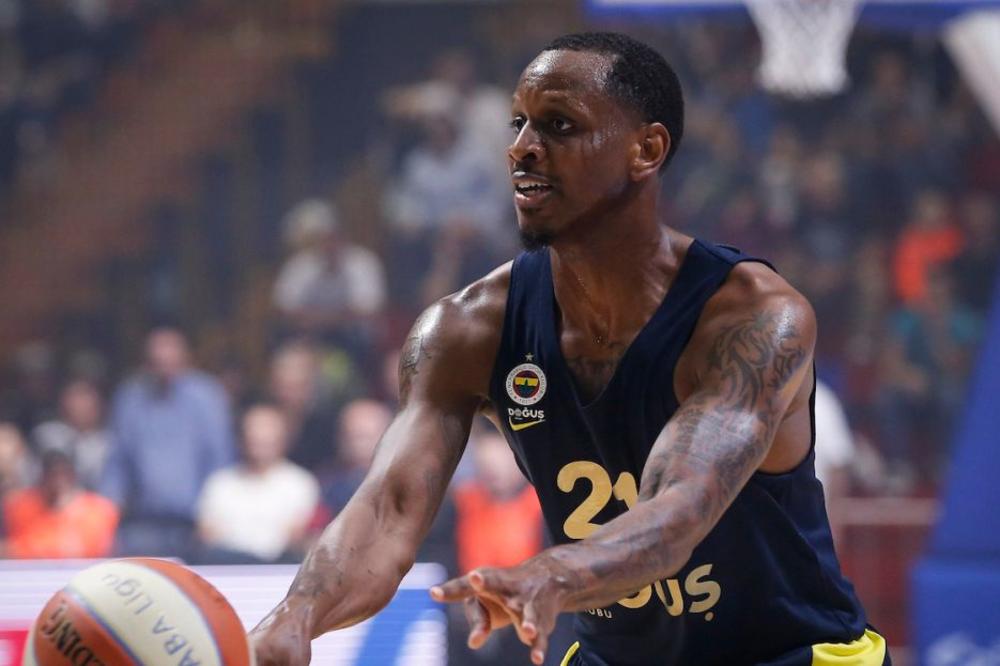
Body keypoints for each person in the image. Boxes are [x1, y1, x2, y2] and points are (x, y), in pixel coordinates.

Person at [251, 33, 886, 666]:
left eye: (559, 125)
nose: (521, 148)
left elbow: (676, 515)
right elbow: (388, 510)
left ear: (646, 149)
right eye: (518, 124)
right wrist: (295, 616)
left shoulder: (751, 317)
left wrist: (549, 574)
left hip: (790, 655)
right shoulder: (464, 330)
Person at [100, 327, 235, 558]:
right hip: (142, 522)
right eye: (157, 361)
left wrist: (215, 512)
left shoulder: (206, 396)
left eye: (170, 360)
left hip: (195, 524)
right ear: (147, 363)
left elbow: (220, 459)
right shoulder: (130, 397)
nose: (164, 366)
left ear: (185, 359)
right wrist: (105, 513)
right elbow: (118, 461)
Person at [197, 404, 319, 563]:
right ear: (242, 439)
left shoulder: (301, 483)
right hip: (228, 567)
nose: (260, 440)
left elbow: (297, 536)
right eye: (254, 436)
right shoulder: (219, 483)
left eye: (267, 437)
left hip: (280, 569)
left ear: (283, 440)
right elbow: (207, 534)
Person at [2, 446, 118, 559]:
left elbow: (93, 551)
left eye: (63, 473)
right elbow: (9, 552)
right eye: (51, 473)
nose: (57, 481)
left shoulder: (99, 511)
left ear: (73, 474)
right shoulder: (18, 508)